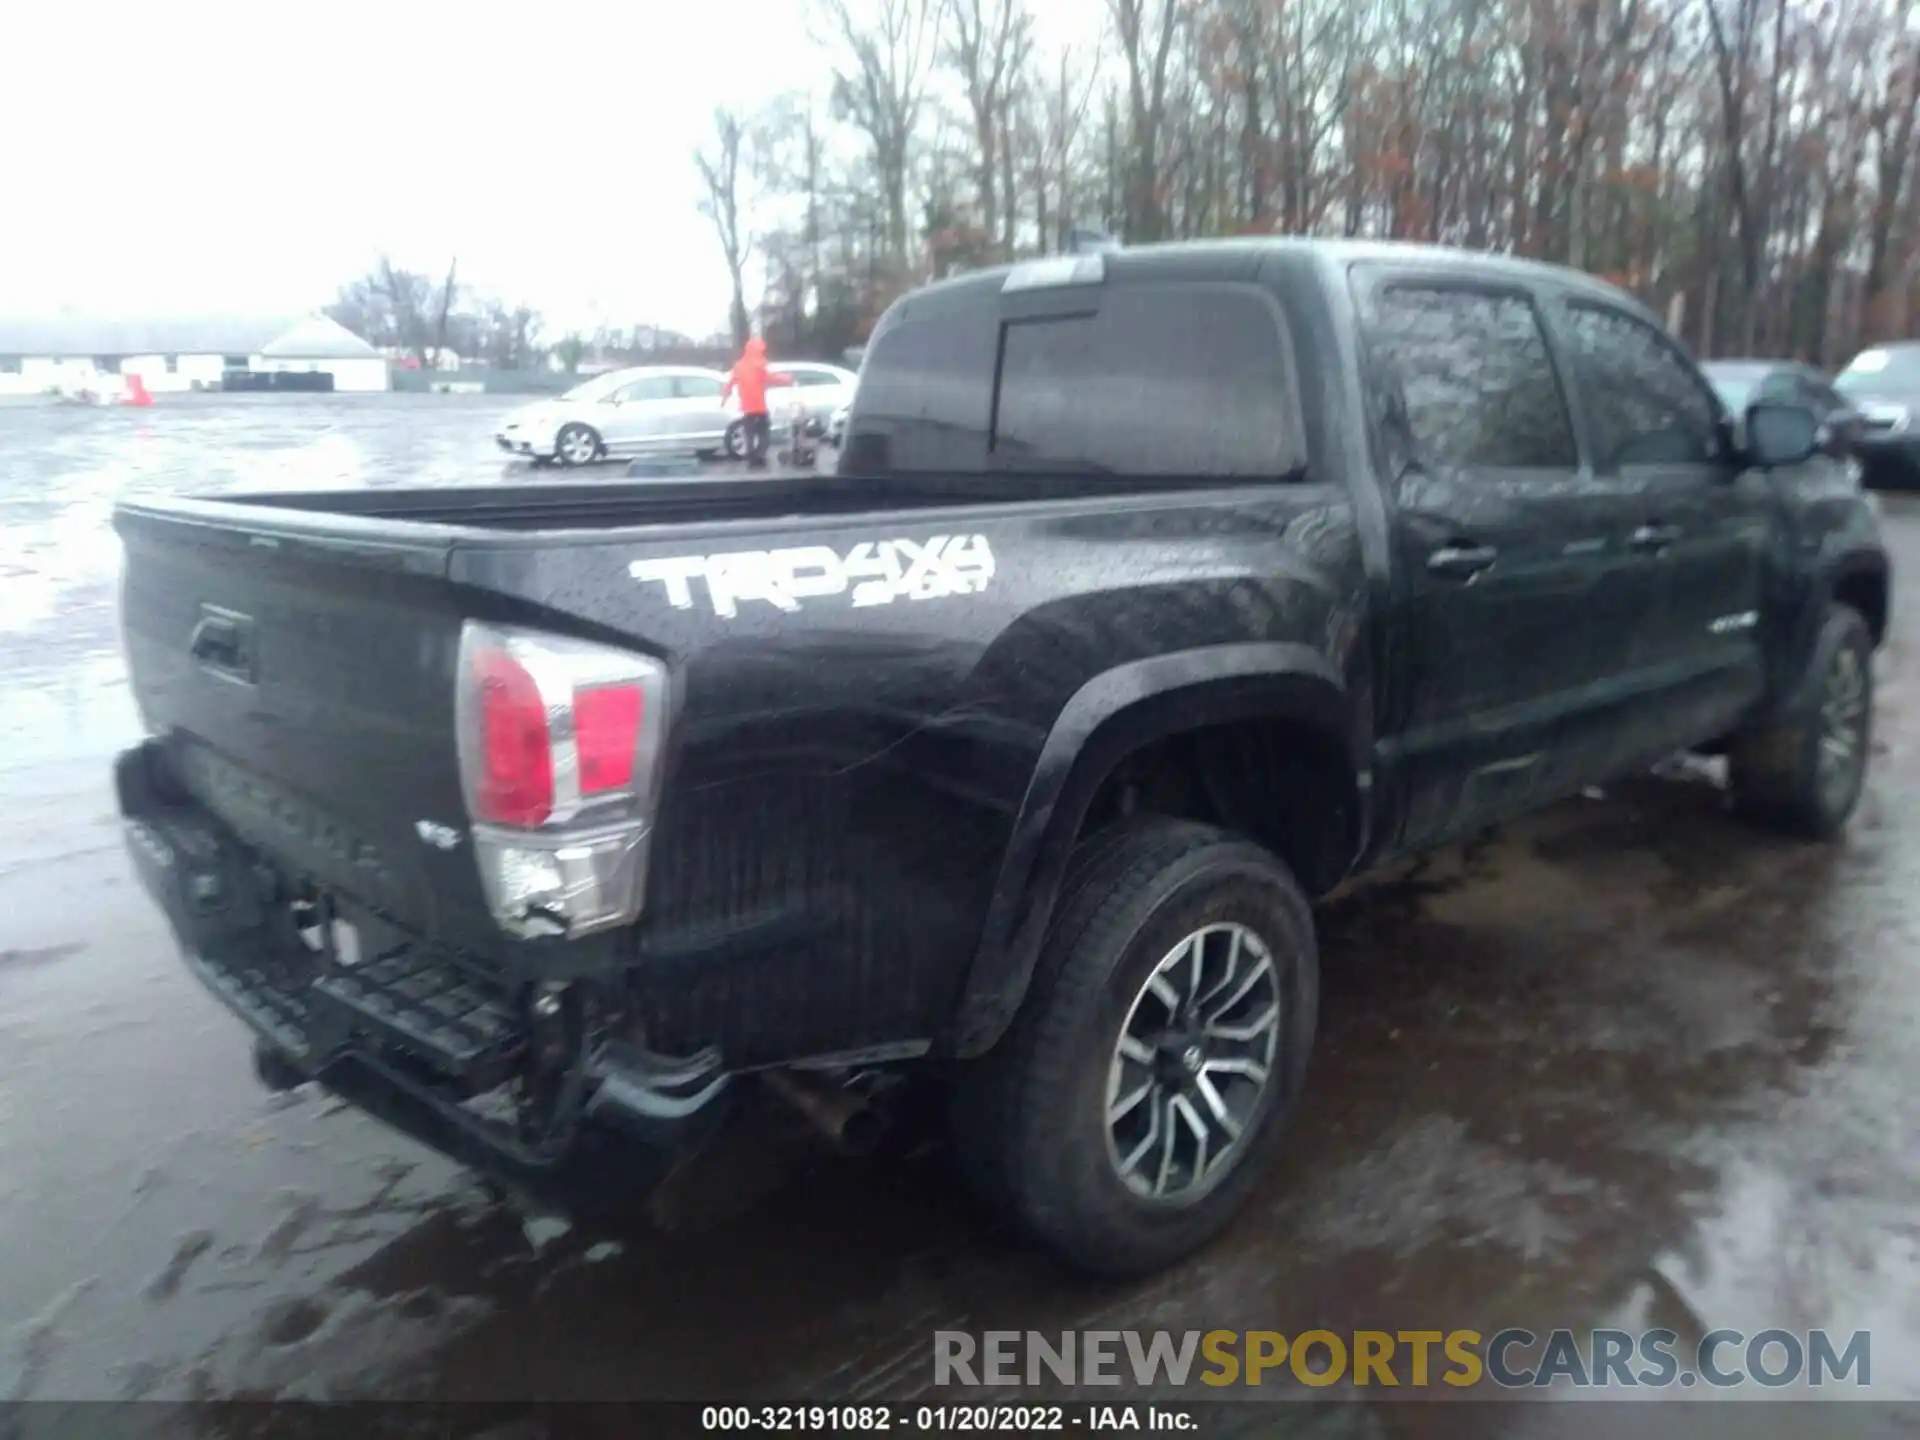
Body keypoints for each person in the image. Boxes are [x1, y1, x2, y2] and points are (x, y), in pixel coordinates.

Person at [720, 336, 792, 468]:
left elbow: (729, 384)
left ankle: (752, 459)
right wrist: (787, 378)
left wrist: (724, 399)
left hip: (747, 408)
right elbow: (771, 378)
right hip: (760, 407)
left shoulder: (738, 367)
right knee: (764, 433)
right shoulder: (758, 367)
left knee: (749, 435)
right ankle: (760, 456)